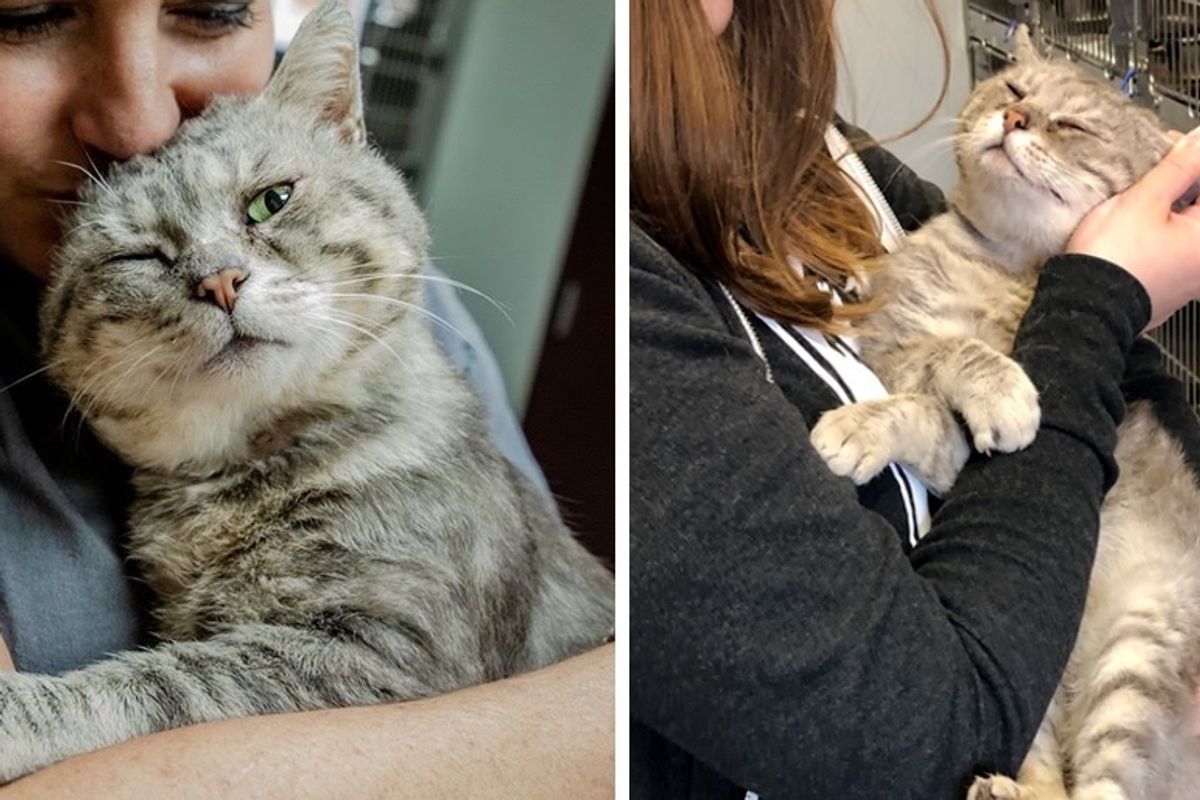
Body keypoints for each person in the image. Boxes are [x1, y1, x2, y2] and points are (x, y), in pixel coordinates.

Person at [0, 0, 611, 794]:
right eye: (24, 15)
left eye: (211, 8)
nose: (221, 283)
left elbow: (395, 676)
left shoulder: (421, 340)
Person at [630, 1, 1200, 798]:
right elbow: (919, 740)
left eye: (1064, 128)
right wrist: (1101, 300)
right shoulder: (639, 301)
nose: (1017, 124)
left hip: (1078, 624)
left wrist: (1106, 305)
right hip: (967, 710)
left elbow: (1125, 412)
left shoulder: (810, 138)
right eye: (1011, 102)